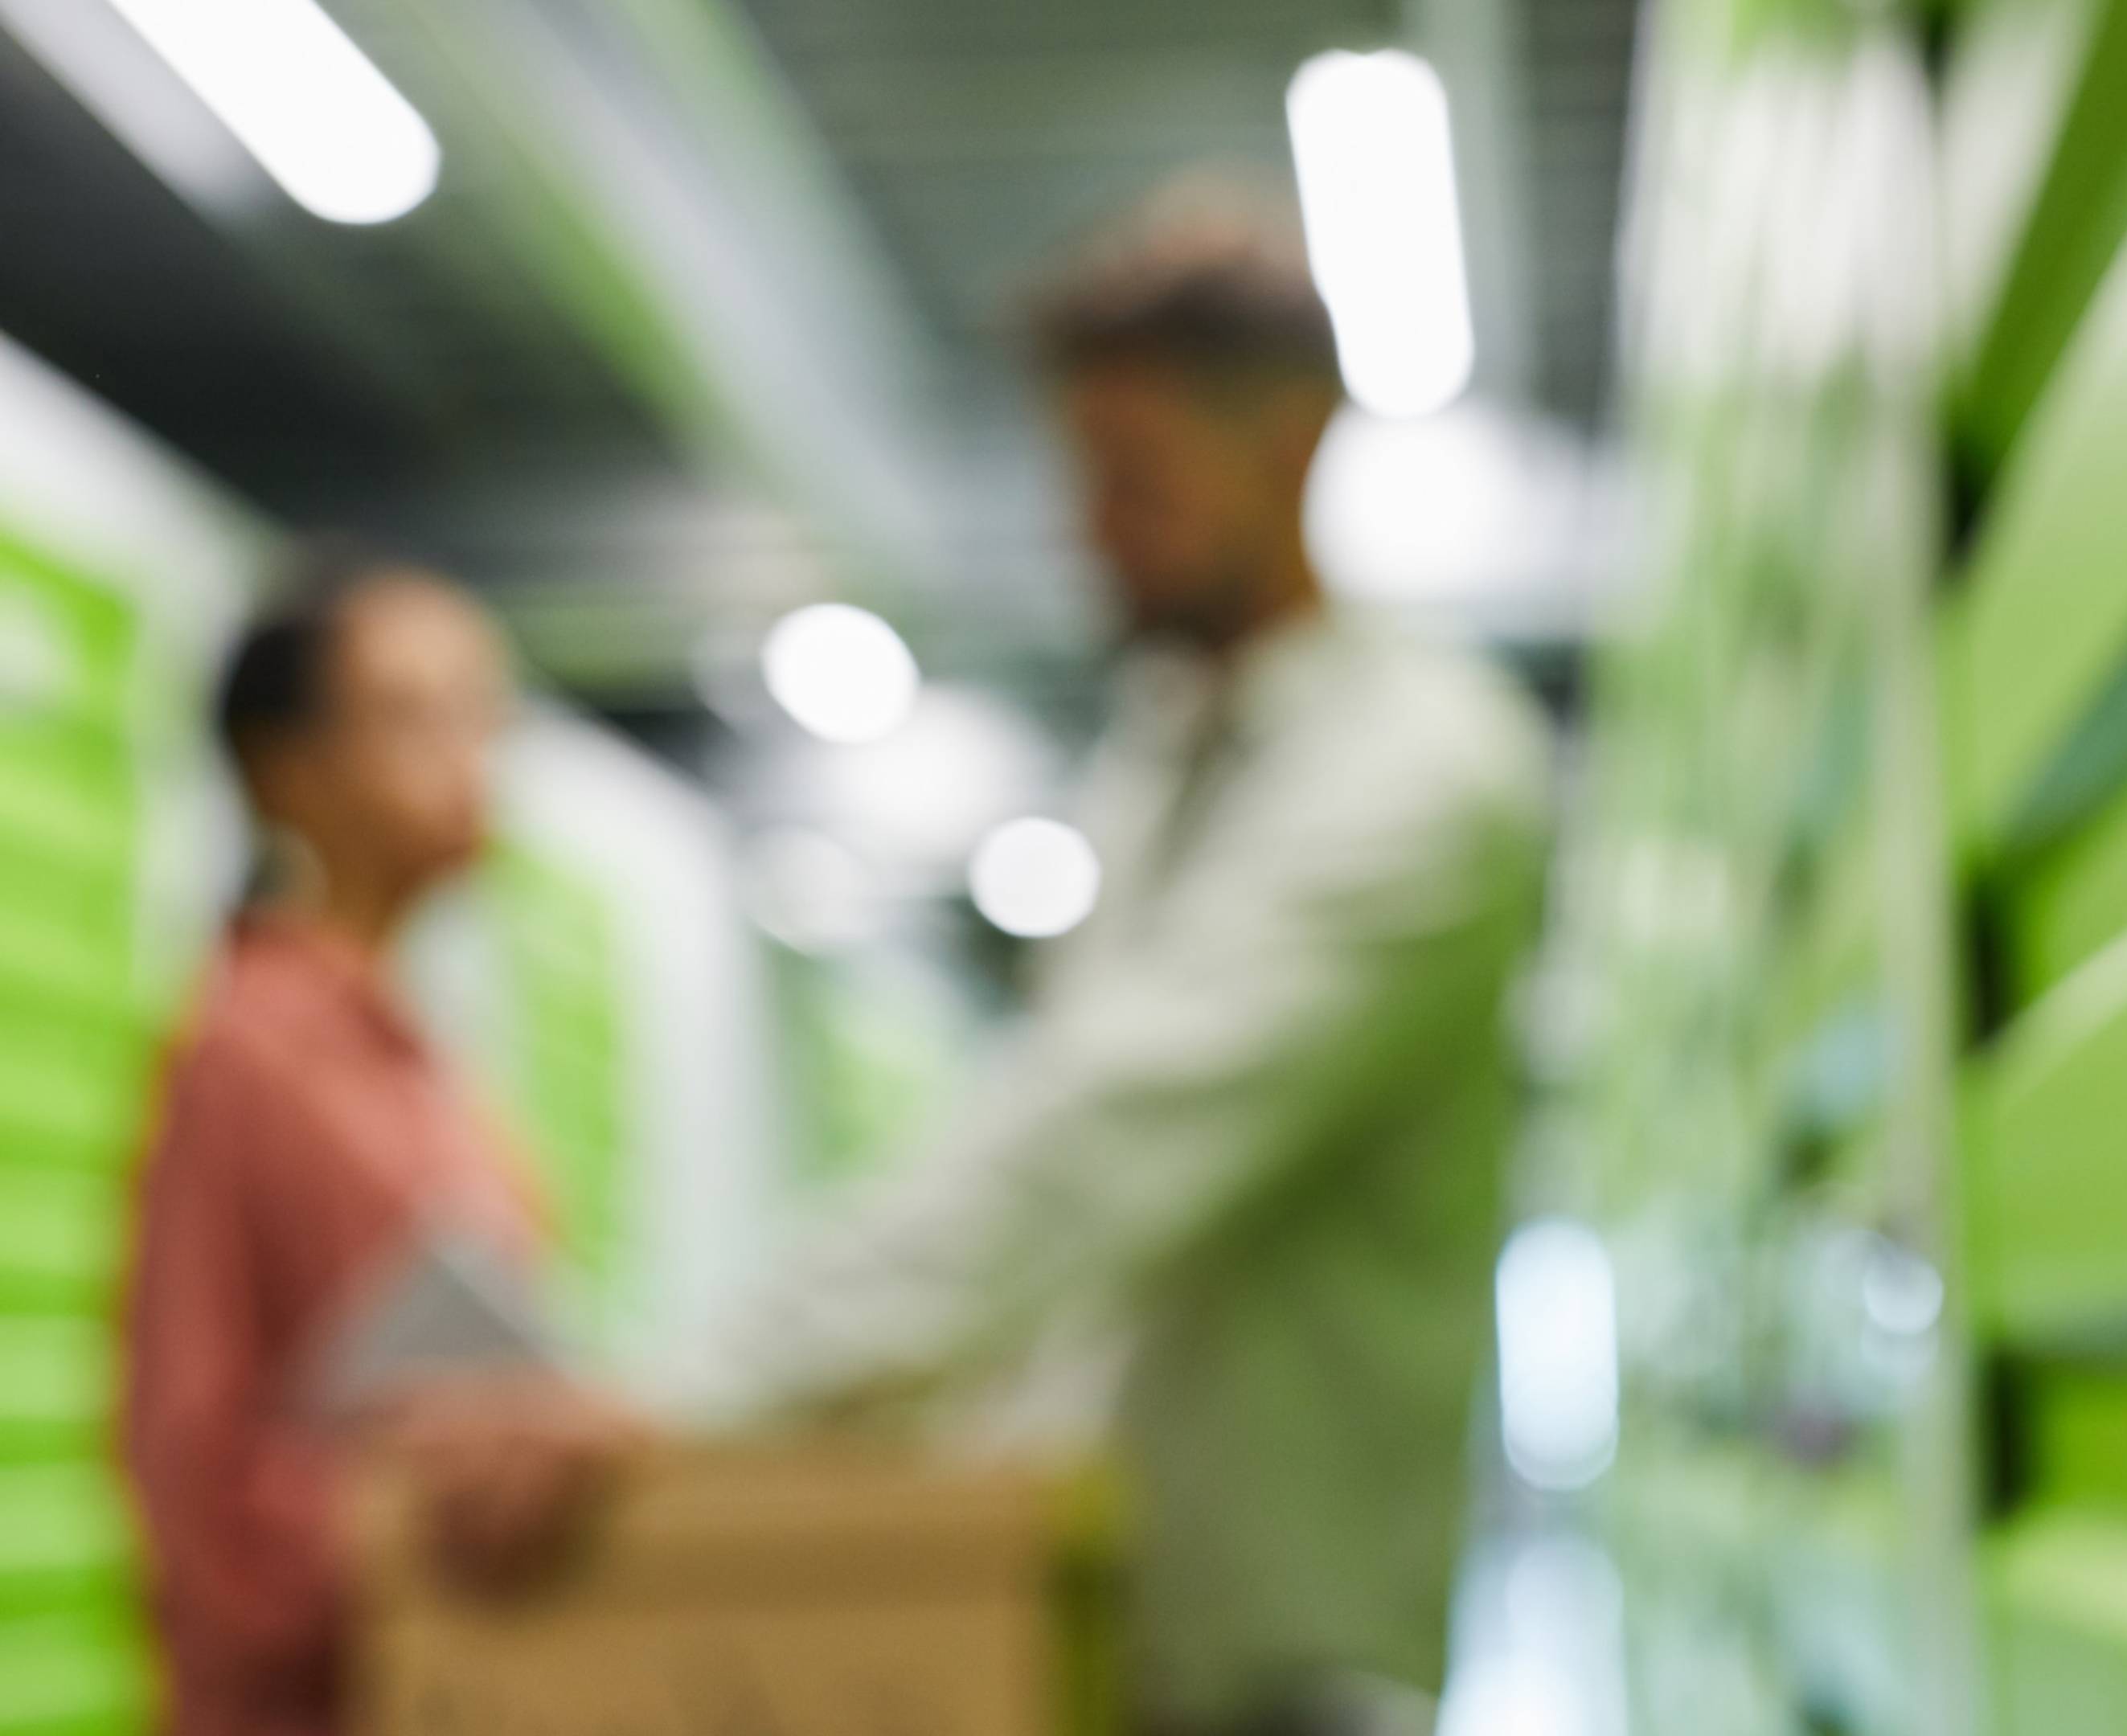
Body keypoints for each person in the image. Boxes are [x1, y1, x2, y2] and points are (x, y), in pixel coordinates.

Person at [691, 190, 1554, 1736]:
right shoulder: (1161, 763)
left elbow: (1098, 1142)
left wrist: (683, 1407)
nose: (1084, 528)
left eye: (1131, 479)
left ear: (1289, 446)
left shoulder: (1421, 772)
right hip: (1107, 1632)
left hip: (1288, 1677)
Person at [121, 552, 621, 1736]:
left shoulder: (432, 1068)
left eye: (482, 715)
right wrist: (412, 1513)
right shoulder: (240, 1051)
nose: (469, 757)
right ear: (283, 769)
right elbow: (191, 1461)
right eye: (414, 715)